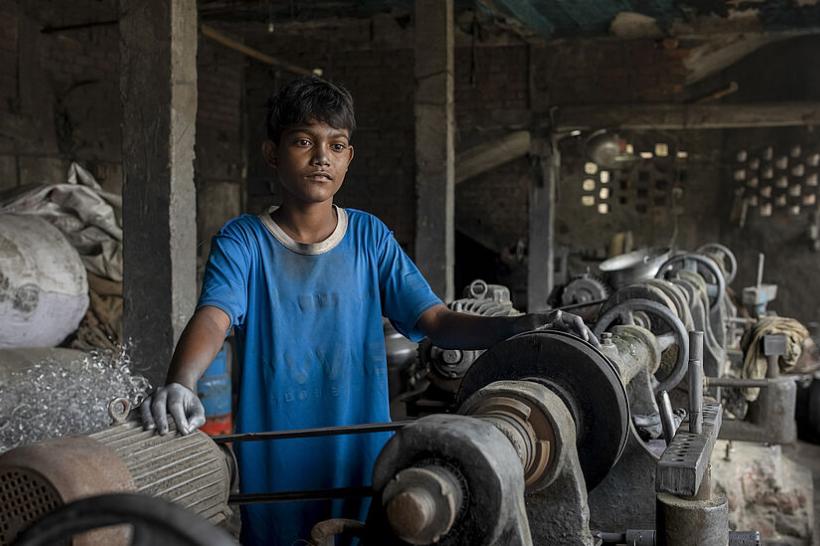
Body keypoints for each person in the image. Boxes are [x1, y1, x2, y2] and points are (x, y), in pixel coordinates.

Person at [140, 76, 597, 546]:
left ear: (348, 158)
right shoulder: (244, 241)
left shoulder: (369, 238)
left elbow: (435, 321)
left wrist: (522, 326)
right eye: (303, 141)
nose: (322, 157)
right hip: (275, 465)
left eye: (336, 145)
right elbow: (215, 314)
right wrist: (182, 382)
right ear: (272, 153)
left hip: (362, 458)